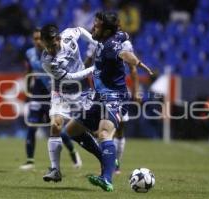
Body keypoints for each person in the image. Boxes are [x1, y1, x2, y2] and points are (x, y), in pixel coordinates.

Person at [65, 11, 153, 192]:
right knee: (71, 131)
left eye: (96, 26)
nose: (92, 28)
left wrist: (138, 63)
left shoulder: (110, 45)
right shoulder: (112, 37)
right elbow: (123, 33)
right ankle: (108, 159)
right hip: (99, 97)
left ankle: (106, 178)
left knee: (105, 134)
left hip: (115, 97)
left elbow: (125, 55)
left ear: (105, 31)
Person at [40, 24, 103, 182]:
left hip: (82, 91)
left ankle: (105, 159)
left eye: (53, 45)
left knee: (91, 131)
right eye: (47, 47)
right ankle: (55, 169)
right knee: (55, 125)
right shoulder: (47, 61)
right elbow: (70, 77)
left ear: (59, 39)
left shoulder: (68, 35)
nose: (51, 50)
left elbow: (80, 30)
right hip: (61, 91)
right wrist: (93, 69)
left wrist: (95, 43)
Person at [19, 28, 82, 171]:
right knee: (32, 125)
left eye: (38, 39)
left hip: (53, 94)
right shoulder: (29, 54)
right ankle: (29, 161)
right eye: (34, 39)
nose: (37, 42)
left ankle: (73, 154)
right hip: (37, 93)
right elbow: (29, 72)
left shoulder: (53, 53)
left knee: (56, 128)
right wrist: (27, 92)